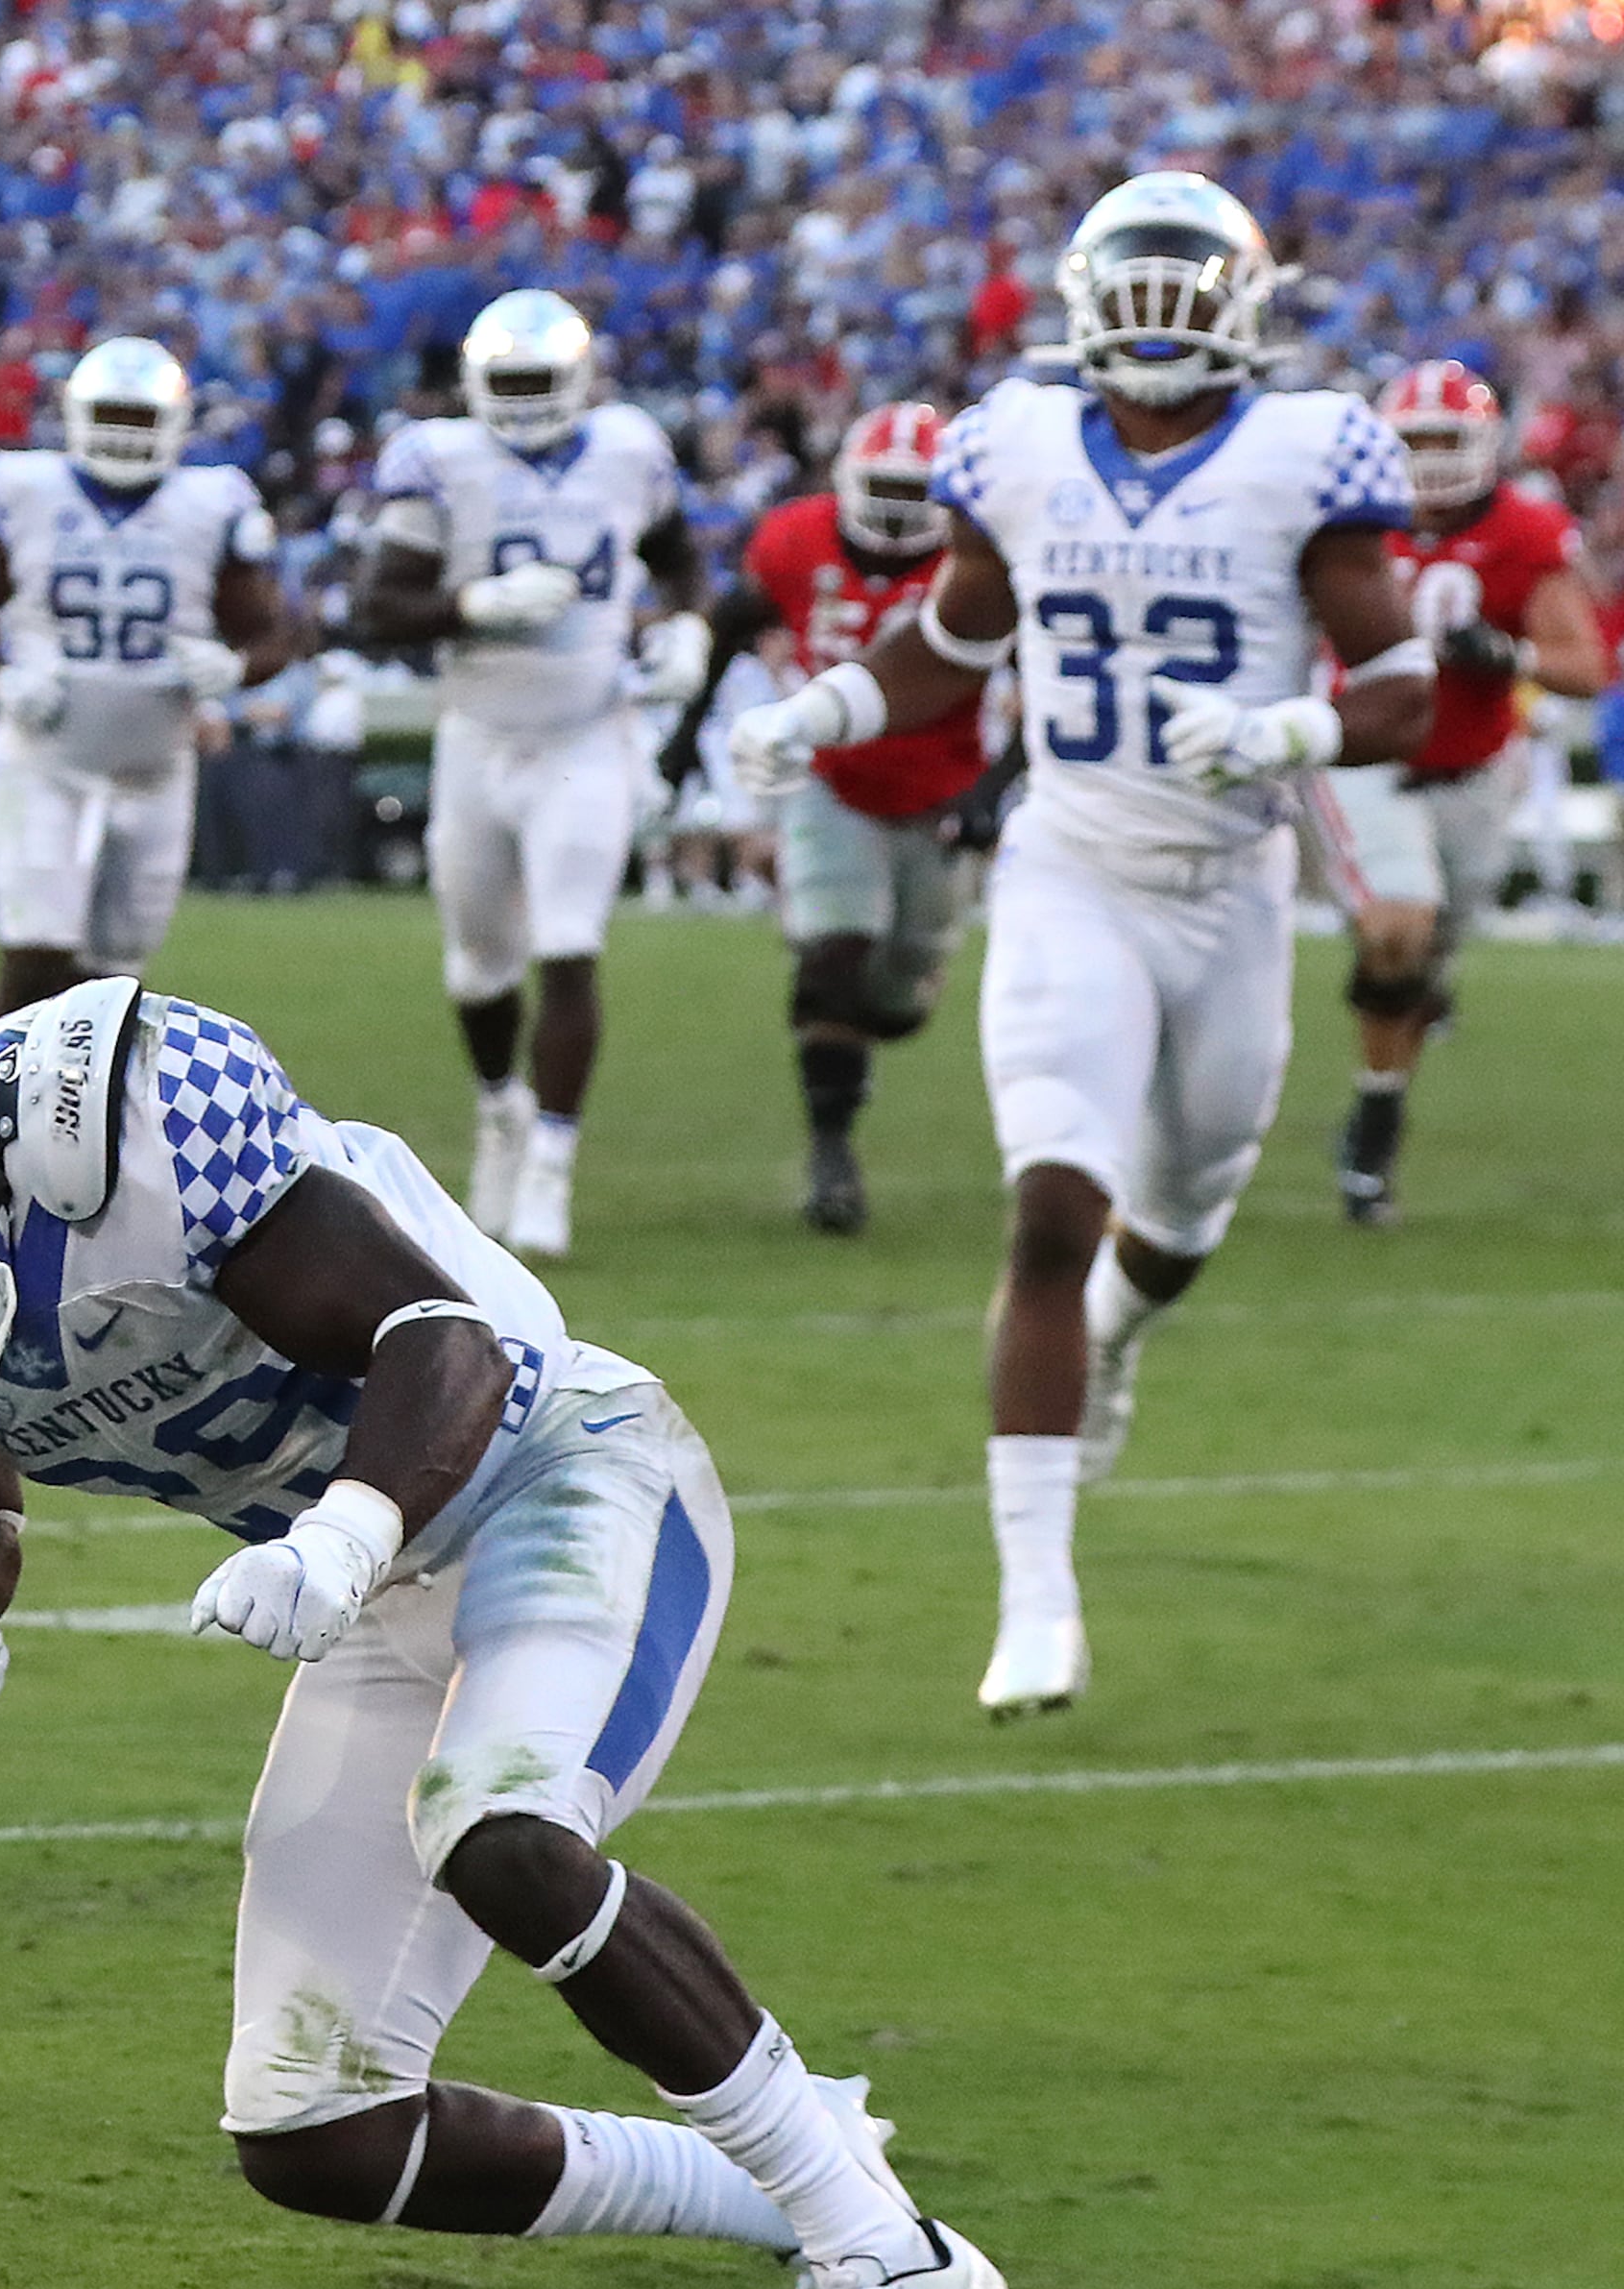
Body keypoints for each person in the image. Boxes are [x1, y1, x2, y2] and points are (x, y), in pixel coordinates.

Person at [0, 984, 1023, 2289]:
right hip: (390, 1576)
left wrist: (340, 1537)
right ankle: (798, 2176)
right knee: (314, 2120)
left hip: (554, 1470)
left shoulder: (118, 1130)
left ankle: (889, 2263)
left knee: (497, 1834)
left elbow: (443, 1336)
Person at [725, 173, 1431, 1717]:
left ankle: (1118, 1333)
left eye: (1191, 291)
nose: (1161, 322)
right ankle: (1036, 1599)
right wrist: (826, 706)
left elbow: (1405, 683)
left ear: (1243, 307)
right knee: (1053, 1203)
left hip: (1231, 888)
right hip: (1072, 864)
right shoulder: (1021, 442)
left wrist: (1286, 724)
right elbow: (956, 638)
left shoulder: (1308, 454)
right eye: (1138, 288)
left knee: (1175, 1220)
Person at [355, 292, 708, 1261]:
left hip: (589, 734)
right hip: (476, 734)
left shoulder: (630, 449)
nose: (520, 402)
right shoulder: (441, 461)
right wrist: (473, 602)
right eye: (504, 384)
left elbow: (681, 560)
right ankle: (500, 1111)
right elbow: (376, 606)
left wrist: (689, 626)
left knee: (569, 942)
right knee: (478, 968)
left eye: (537, 382)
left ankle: (552, 1158)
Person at [664, 403, 1017, 1235]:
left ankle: (861, 1019)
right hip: (832, 782)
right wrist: (686, 731)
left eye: (913, 491)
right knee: (833, 960)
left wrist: (991, 790)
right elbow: (733, 624)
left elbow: (1044, 680)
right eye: (883, 488)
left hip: (940, 791)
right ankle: (831, 1156)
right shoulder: (792, 541)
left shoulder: (983, 554)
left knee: (895, 1003)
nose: (896, 509)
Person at [1306, 360, 1607, 1224]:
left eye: (1448, 440)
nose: (1432, 461)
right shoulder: (1342, 518)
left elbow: (1586, 665)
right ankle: (1375, 1123)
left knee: (1426, 959)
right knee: (1398, 927)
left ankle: (1384, 1083)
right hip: (1366, 758)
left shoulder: (1526, 531)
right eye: (1417, 441)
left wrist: (1511, 658)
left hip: (1476, 769)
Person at [0, 334, 295, 1017]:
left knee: (114, 979)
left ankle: (85, 1121)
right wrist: (1, 679)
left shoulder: (210, 502)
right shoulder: (26, 489)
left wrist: (236, 667)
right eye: (111, 417)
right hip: (45, 757)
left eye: (140, 420)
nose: (124, 436)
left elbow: (275, 631)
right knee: (37, 954)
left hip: (155, 765)